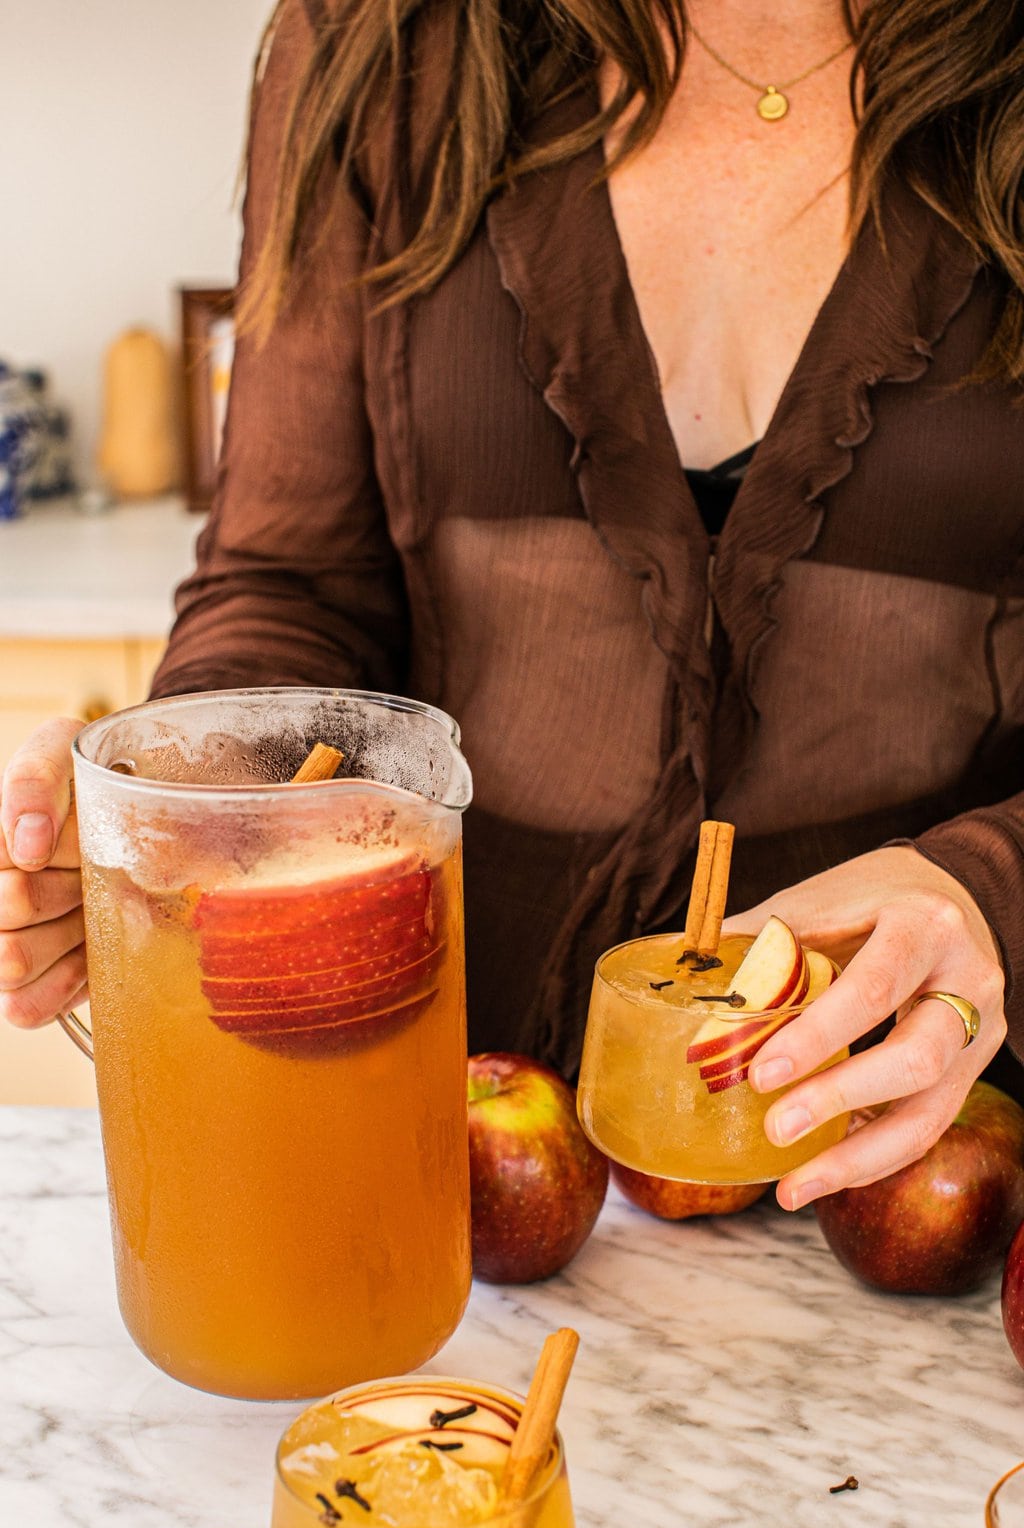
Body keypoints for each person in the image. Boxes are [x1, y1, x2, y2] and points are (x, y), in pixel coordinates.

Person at [1, 0, 1021, 1216]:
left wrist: (994, 886)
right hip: (440, 1135)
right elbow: (292, 585)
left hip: (933, 1159)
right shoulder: (382, 41)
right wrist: (185, 812)